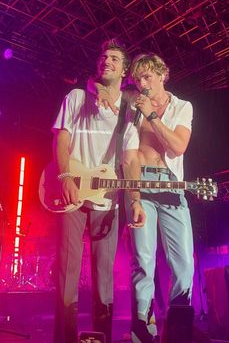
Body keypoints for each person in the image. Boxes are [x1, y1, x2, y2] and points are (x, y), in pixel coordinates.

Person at [52, 39, 145, 343]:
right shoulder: (78, 96)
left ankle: (101, 338)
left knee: (104, 279)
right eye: (104, 57)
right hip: (73, 194)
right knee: (67, 273)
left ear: (124, 71)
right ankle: (64, 338)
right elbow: (62, 138)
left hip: (108, 201)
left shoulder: (129, 112)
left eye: (115, 58)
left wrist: (135, 199)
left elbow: (131, 160)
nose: (107, 61)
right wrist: (65, 175)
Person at [122, 53, 195, 343]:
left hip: (171, 185)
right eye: (138, 79)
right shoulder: (132, 108)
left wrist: (152, 115)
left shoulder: (182, 106)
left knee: (184, 264)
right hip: (141, 184)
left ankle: (177, 329)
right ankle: (143, 329)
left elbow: (178, 147)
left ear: (162, 74)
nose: (142, 83)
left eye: (148, 76)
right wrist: (134, 198)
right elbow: (129, 155)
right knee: (143, 260)